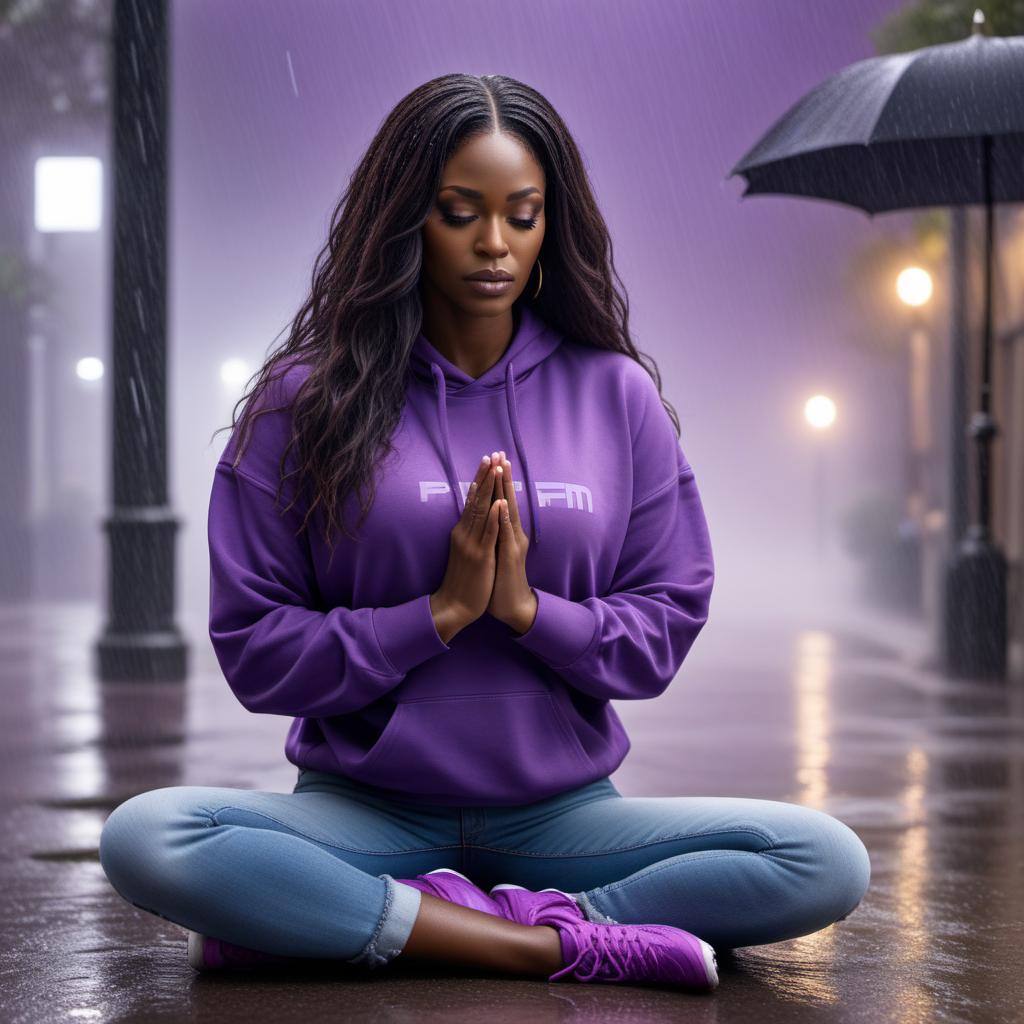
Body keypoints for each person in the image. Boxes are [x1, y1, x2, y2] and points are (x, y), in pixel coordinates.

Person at [98, 73, 870, 992]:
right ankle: (553, 946)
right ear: (404, 219)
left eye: (522, 213)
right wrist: (437, 613)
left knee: (823, 858)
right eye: (458, 212)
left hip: (562, 819)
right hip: (362, 816)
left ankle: (356, 925)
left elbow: (662, 626)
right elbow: (256, 651)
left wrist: (530, 611)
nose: (493, 244)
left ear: (553, 224)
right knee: (149, 836)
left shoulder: (613, 395)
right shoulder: (304, 403)